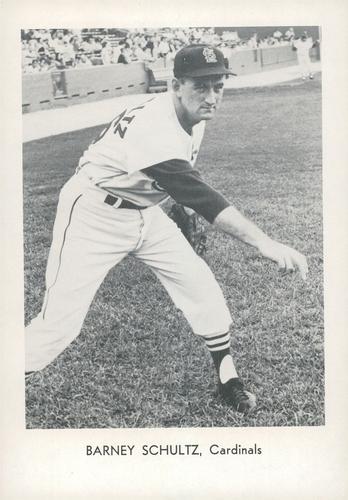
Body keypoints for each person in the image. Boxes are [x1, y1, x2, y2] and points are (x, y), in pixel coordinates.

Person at [25, 44, 308, 413]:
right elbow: (200, 194)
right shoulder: (153, 126)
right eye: (200, 86)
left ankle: (228, 378)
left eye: (218, 85)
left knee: (201, 285)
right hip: (94, 213)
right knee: (58, 326)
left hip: (146, 212)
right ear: (175, 84)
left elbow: (177, 181)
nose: (211, 97)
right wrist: (263, 242)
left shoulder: (191, 116)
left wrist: (177, 206)